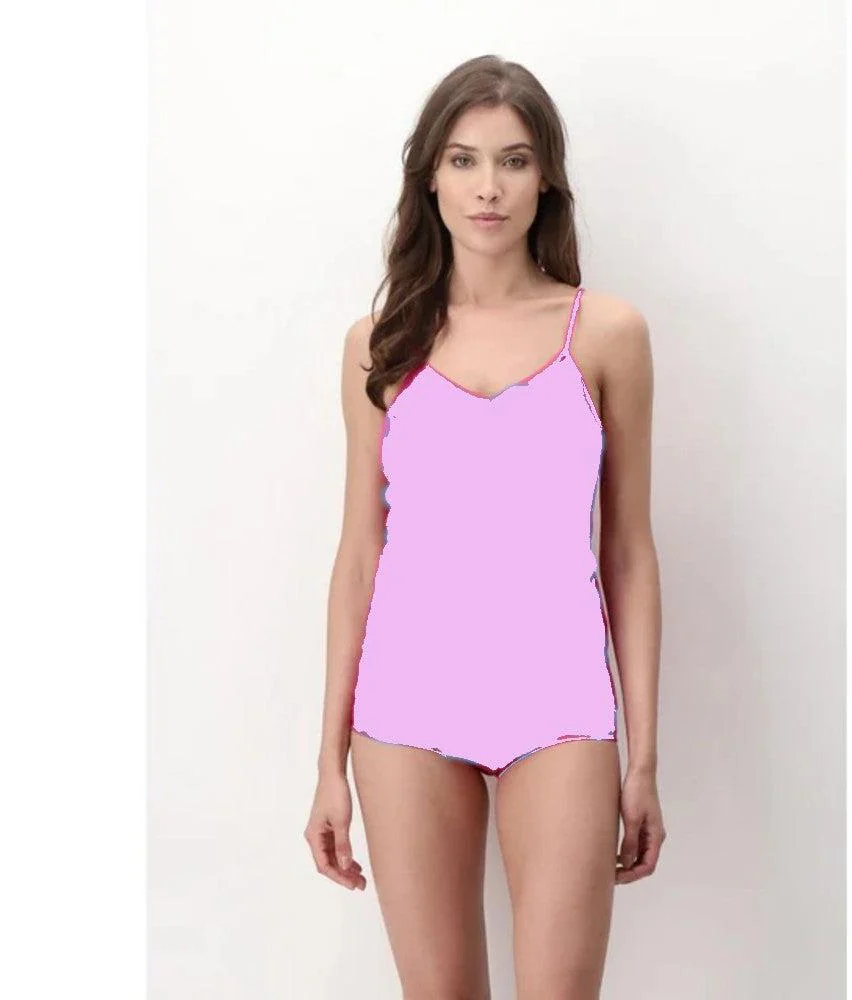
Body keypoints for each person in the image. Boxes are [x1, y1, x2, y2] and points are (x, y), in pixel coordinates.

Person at [305, 54, 665, 1000]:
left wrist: (643, 758)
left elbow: (628, 553)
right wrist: (328, 762)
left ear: (546, 178)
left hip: (559, 698)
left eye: (513, 160)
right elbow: (358, 556)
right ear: (430, 177)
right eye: (464, 160)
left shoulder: (607, 334)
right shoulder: (380, 345)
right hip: (406, 702)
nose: (488, 187)